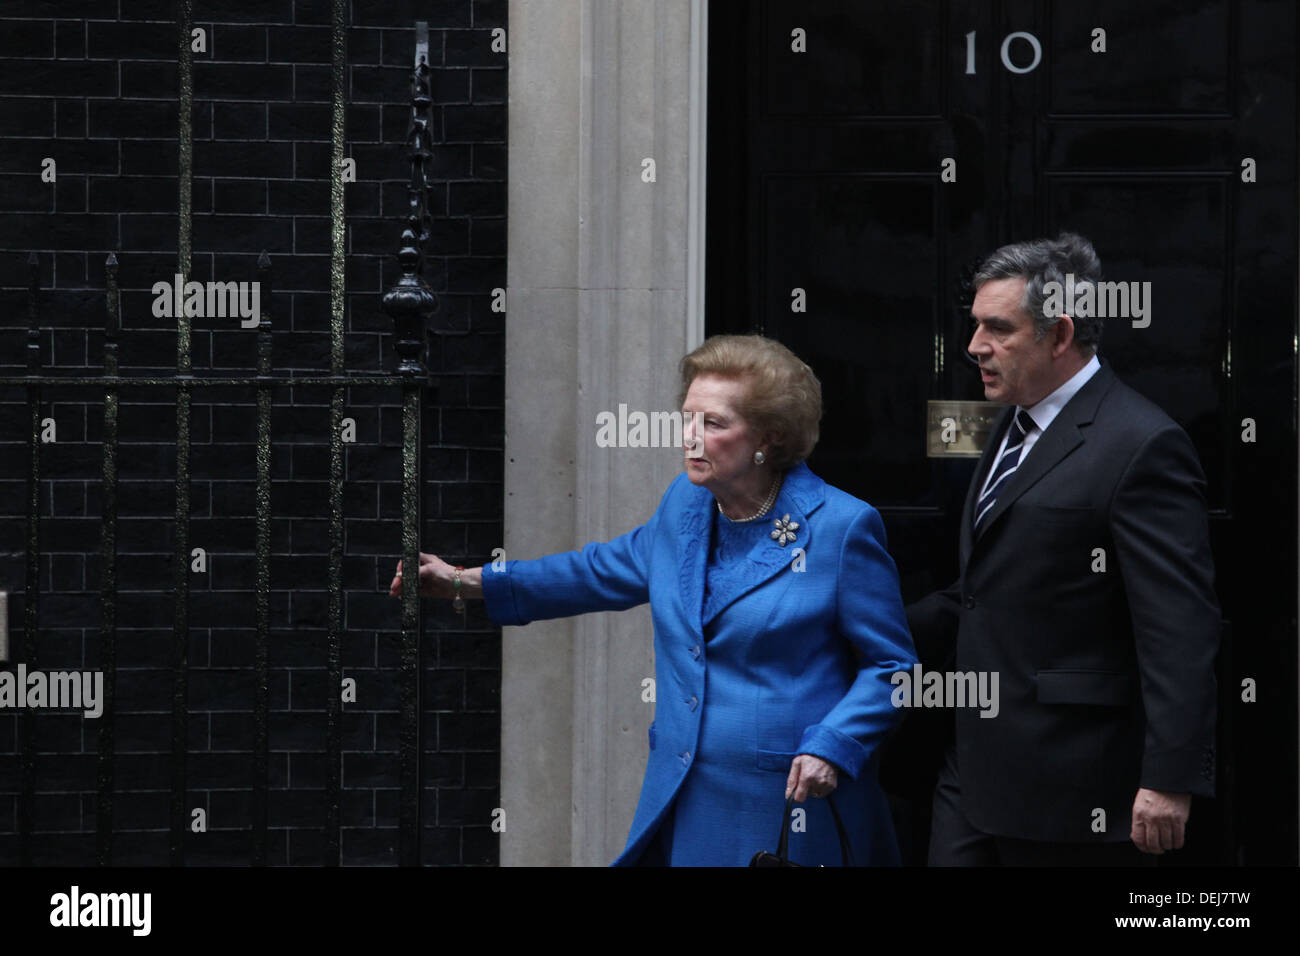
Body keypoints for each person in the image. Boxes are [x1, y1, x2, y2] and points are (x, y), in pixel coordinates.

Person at [390, 335, 917, 865]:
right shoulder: (684, 505)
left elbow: (894, 667)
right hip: (690, 796)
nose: (691, 438)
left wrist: (835, 743)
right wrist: (465, 581)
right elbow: (596, 570)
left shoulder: (840, 528)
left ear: (769, 438)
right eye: (687, 419)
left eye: (713, 424)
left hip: (788, 803)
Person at [911, 233, 1219, 865]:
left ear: (1060, 335)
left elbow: (1178, 628)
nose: (974, 348)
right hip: (969, 770)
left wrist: (1168, 778)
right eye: (974, 326)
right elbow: (982, 588)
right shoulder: (1006, 421)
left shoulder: (1141, 443)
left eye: (998, 329)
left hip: (1074, 787)